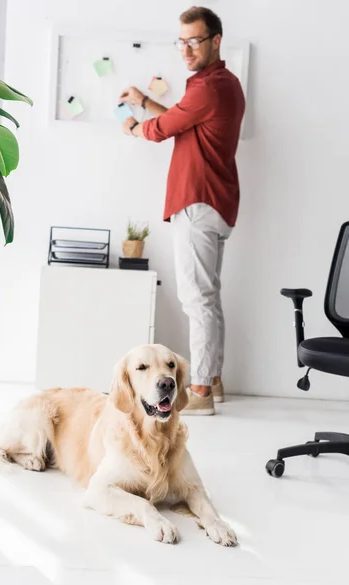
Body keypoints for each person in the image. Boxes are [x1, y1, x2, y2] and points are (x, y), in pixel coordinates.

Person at [120, 6, 245, 415]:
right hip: (214, 202)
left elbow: (162, 129)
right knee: (208, 297)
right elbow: (178, 120)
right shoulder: (221, 85)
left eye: (194, 41)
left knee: (198, 301)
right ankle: (214, 381)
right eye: (182, 41)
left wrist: (136, 127)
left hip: (198, 200)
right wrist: (145, 100)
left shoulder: (208, 87)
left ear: (215, 41)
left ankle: (201, 393)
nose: (186, 50)